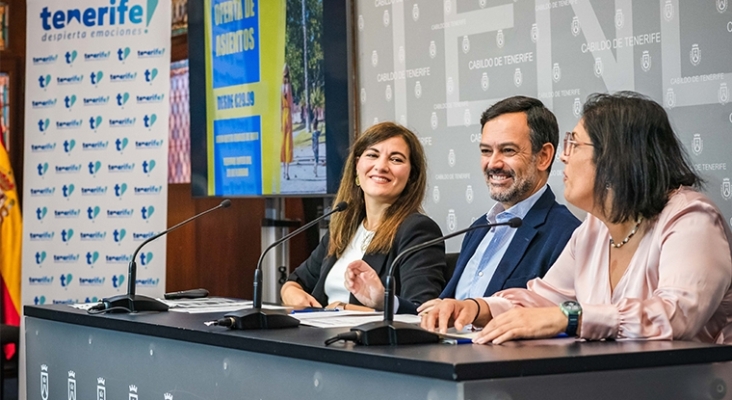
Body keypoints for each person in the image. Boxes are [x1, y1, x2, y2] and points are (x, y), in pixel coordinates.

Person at [422, 91, 732, 345]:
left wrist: (571, 316)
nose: (564, 156)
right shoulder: (594, 229)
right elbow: (544, 299)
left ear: (616, 155)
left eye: (574, 143)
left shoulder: (691, 219)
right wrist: (476, 308)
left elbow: (675, 316)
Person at [418, 96, 580, 315]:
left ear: (543, 156)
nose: (493, 163)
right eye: (486, 151)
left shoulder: (566, 234)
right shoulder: (478, 228)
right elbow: (445, 308)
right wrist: (386, 301)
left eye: (508, 150)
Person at [282, 122, 448, 314]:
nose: (381, 166)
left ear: (411, 177)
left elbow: (421, 310)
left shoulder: (418, 230)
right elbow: (296, 281)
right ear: (356, 168)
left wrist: (344, 310)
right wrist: (290, 291)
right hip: (320, 339)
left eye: (395, 159)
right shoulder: (345, 226)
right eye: (372, 155)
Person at [281, 64, 294, 180]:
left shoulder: (283, 87)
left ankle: (286, 171)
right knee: (286, 142)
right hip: (287, 113)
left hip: (284, 114)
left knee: (285, 141)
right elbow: (290, 102)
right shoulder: (287, 87)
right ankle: (286, 171)